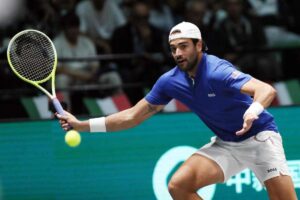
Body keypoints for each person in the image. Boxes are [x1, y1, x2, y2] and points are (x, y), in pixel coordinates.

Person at [57, 22, 297, 200]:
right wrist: (82, 125)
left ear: (199, 45)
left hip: (260, 138)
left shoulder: (216, 70)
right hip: (227, 143)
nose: (178, 54)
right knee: (178, 186)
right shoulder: (170, 81)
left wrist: (253, 110)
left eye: (184, 46)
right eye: (173, 49)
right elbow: (132, 116)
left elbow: (265, 90)